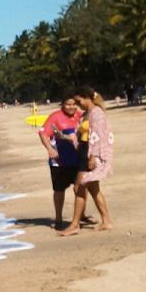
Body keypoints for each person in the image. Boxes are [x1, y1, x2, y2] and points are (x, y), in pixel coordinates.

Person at [60, 87, 115, 236]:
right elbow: (80, 135)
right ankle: (106, 221)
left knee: (79, 187)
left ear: (87, 97)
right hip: (84, 152)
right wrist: (64, 137)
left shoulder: (97, 114)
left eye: (79, 101)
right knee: (93, 189)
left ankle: (75, 224)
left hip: (90, 154)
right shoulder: (86, 114)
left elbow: (99, 136)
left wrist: (93, 156)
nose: (78, 105)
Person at [38, 96, 82, 229]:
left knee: (79, 189)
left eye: (74, 104)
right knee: (59, 190)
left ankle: (80, 216)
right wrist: (50, 149)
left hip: (78, 159)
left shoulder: (80, 115)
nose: (71, 107)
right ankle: (58, 218)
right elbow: (43, 133)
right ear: (62, 104)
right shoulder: (55, 117)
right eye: (68, 104)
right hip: (59, 161)